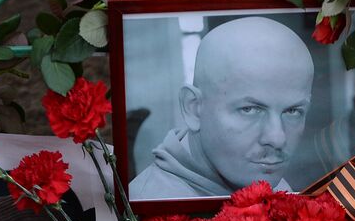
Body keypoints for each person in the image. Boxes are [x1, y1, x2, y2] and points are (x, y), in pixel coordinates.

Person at [130, 16, 315, 199]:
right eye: (250, 109)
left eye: (293, 111)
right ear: (193, 108)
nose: (277, 138)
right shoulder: (145, 210)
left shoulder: (269, 182)